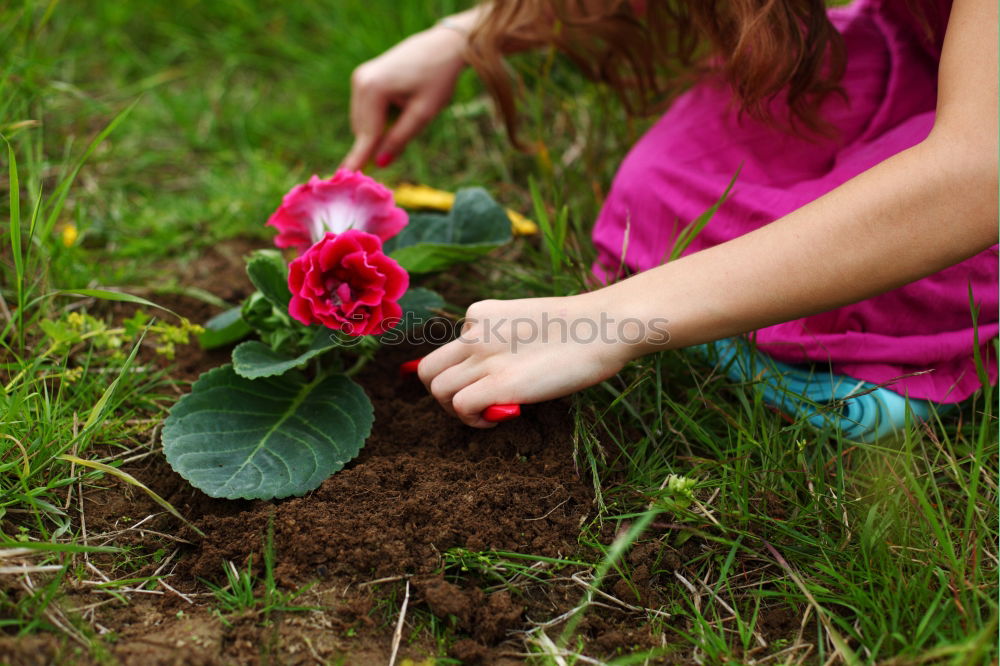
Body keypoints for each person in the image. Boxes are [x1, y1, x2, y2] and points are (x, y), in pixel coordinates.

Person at [341, 0, 997, 436]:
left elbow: (977, 171)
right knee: (662, 198)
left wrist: (607, 321)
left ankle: (869, 382)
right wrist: (466, 34)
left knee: (905, 276)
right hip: (941, 49)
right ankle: (736, 321)